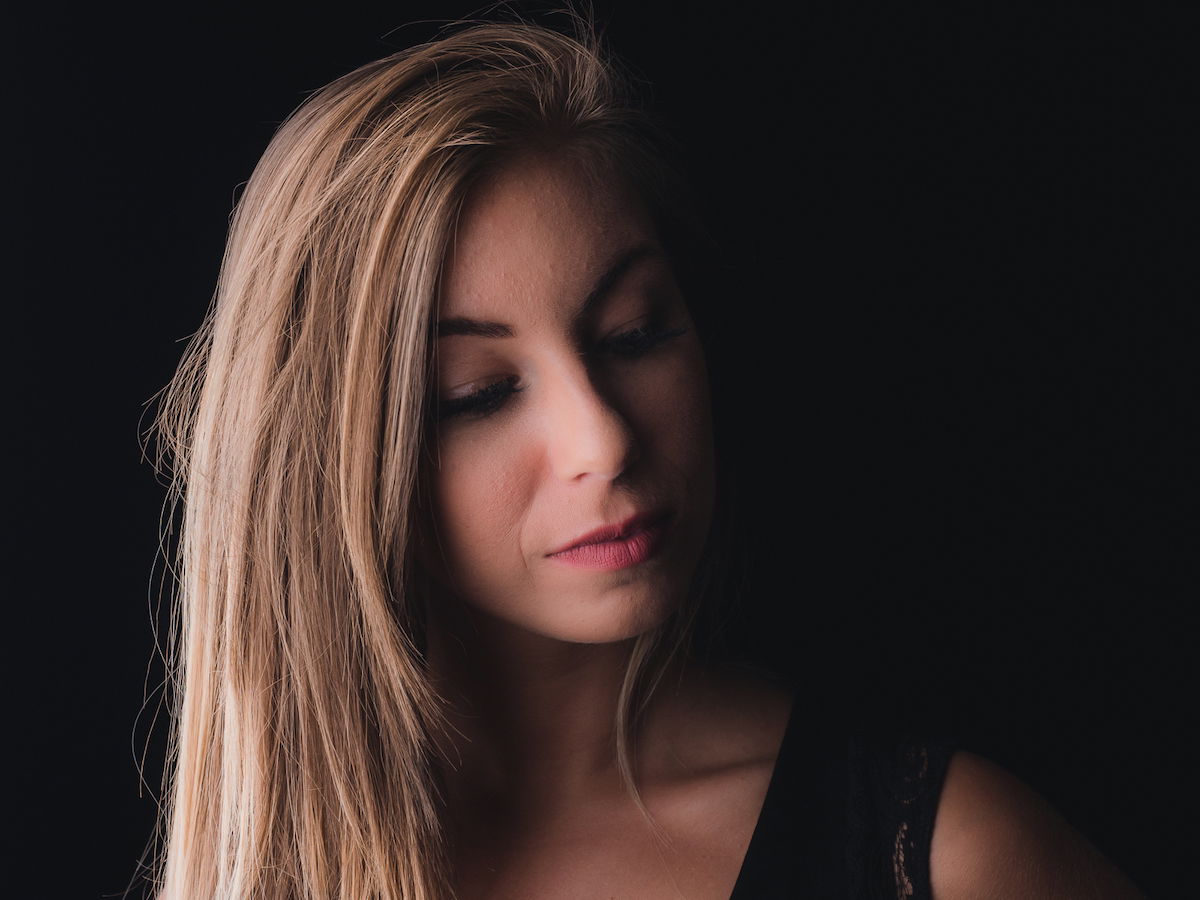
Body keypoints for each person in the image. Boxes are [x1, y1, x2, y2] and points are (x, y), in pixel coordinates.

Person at [149, 16, 1146, 899]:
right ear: (330, 466)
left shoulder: (946, 856)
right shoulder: (272, 867)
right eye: (478, 395)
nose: (605, 439)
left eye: (633, 332)